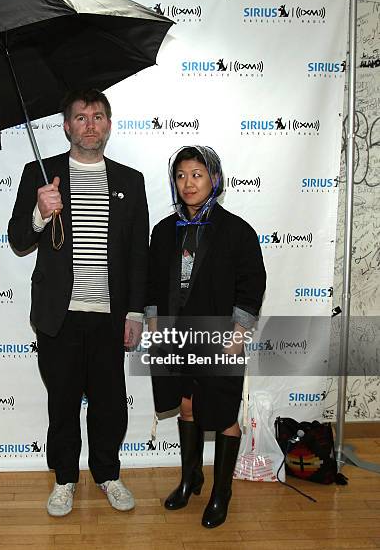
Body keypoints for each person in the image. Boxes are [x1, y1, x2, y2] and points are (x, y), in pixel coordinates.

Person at [8, 89, 149, 517]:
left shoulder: (130, 180)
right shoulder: (41, 172)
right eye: (81, 117)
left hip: (109, 316)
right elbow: (18, 239)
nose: (91, 125)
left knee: (109, 403)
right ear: (66, 126)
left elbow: (138, 253)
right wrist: (39, 211)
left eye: (99, 117)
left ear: (109, 124)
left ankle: (107, 473)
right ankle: (65, 479)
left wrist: (135, 311)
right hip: (59, 317)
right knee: (63, 402)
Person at [146, 145, 266, 528]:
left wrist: (239, 330)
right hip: (177, 338)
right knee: (186, 406)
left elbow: (252, 284)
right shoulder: (164, 231)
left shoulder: (236, 230)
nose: (188, 183)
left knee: (223, 413)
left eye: (197, 174)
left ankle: (221, 493)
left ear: (214, 179)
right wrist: (152, 320)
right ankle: (189, 478)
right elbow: (150, 281)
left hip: (221, 338)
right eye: (181, 176)